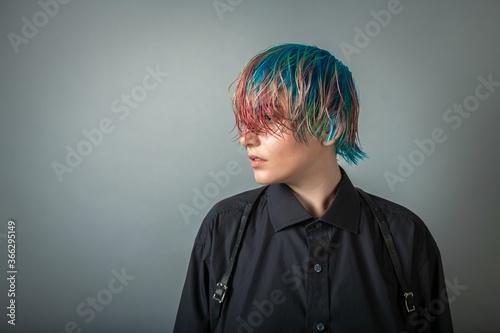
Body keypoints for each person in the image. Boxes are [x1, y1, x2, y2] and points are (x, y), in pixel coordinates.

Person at [173, 43, 453, 332]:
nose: (246, 138)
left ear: (330, 127)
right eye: (246, 121)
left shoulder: (406, 236)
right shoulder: (223, 228)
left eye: (268, 118)